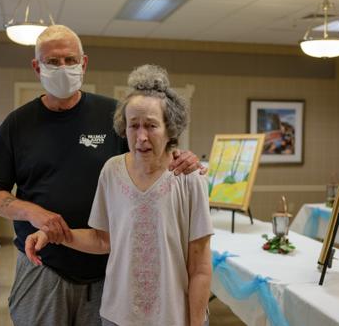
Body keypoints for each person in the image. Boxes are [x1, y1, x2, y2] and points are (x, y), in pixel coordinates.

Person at [0, 25, 203, 326]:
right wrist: (35, 213)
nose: (63, 68)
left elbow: (151, 158)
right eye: (52, 62)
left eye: (70, 60)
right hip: (44, 264)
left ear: (84, 64)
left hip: (109, 267)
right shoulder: (17, 124)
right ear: (36, 67)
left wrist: (182, 157)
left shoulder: (114, 116)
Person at [26, 64, 213, 326]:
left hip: (173, 317)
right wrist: (51, 233)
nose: (141, 137)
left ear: (171, 129)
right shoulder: (112, 171)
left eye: (151, 125)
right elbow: (102, 240)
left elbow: (200, 267)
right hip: (118, 316)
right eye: (133, 125)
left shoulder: (189, 178)